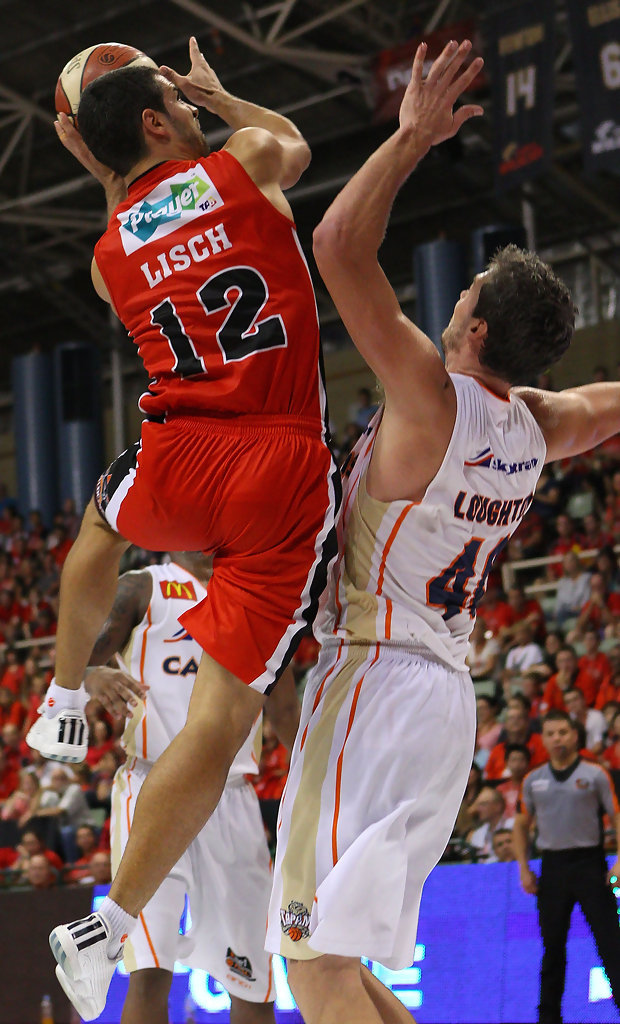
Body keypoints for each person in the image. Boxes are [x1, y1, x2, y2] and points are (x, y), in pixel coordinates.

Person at [264, 37, 620, 1024]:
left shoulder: (430, 397)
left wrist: (411, 136)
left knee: (311, 962)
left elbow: (334, 245)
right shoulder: (541, 425)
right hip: (441, 702)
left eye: (459, 300)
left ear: (468, 332)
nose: (449, 304)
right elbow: (609, 402)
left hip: (371, 679)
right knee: (346, 963)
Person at [29, 36, 339, 1021]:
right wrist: (219, 94)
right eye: (175, 102)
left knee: (96, 524)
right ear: (163, 120)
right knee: (219, 723)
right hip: (279, 460)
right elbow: (287, 140)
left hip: (180, 460)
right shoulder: (239, 166)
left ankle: (61, 701)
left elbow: (149, 214)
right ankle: (107, 923)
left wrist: (117, 166)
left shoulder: (107, 251)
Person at [79, 552, 298, 1024]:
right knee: (149, 971)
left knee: (254, 982)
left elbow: (285, 710)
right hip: (153, 786)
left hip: (232, 794)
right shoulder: (144, 586)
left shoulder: (255, 593)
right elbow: (80, 657)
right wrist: (92, 675)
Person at [513, 710, 620, 1024]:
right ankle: (548, 1018)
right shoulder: (533, 779)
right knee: (552, 948)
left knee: (610, 944)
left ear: (575, 735)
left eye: (563, 732)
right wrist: (523, 867)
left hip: (590, 864)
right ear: (543, 739)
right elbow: (520, 824)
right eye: (551, 733)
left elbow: (617, 815)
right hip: (553, 867)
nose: (557, 738)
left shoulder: (595, 773)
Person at [466, 786, 513, 861]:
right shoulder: (478, 834)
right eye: (478, 805)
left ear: (498, 806)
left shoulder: (513, 826)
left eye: (483, 804)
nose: (478, 809)